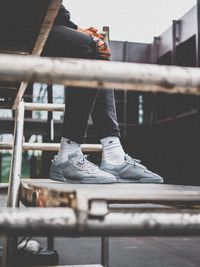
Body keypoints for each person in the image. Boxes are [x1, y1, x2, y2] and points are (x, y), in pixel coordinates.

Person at [42, 4, 164, 184]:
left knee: (99, 50)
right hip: (16, 28)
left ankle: (114, 154)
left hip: (32, 25)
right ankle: (67, 155)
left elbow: (50, 11)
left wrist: (78, 30)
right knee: (93, 48)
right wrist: (79, 31)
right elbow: (33, 8)